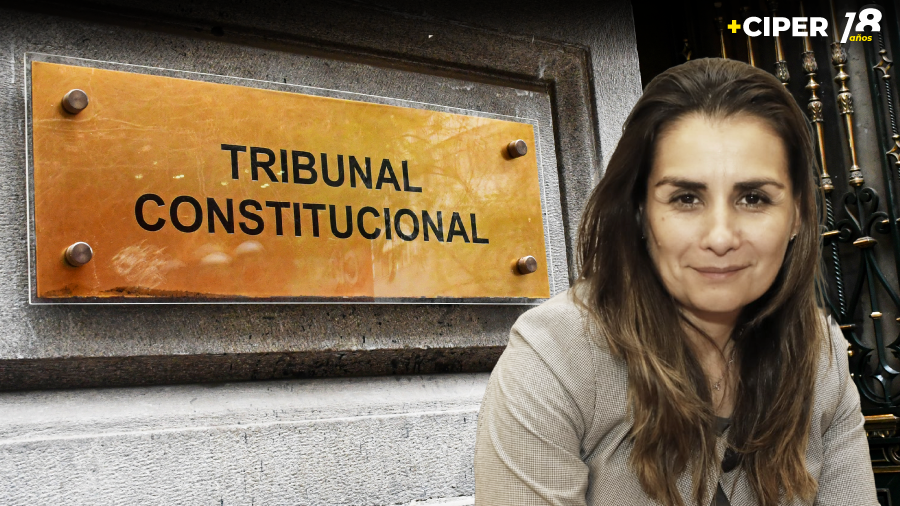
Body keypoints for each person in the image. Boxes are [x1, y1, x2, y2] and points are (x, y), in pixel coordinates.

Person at [473, 58, 878, 506]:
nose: (720, 237)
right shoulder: (556, 356)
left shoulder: (820, 353)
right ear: (640, 213)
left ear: (797, 214)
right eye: (686, 198)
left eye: (753, 197)